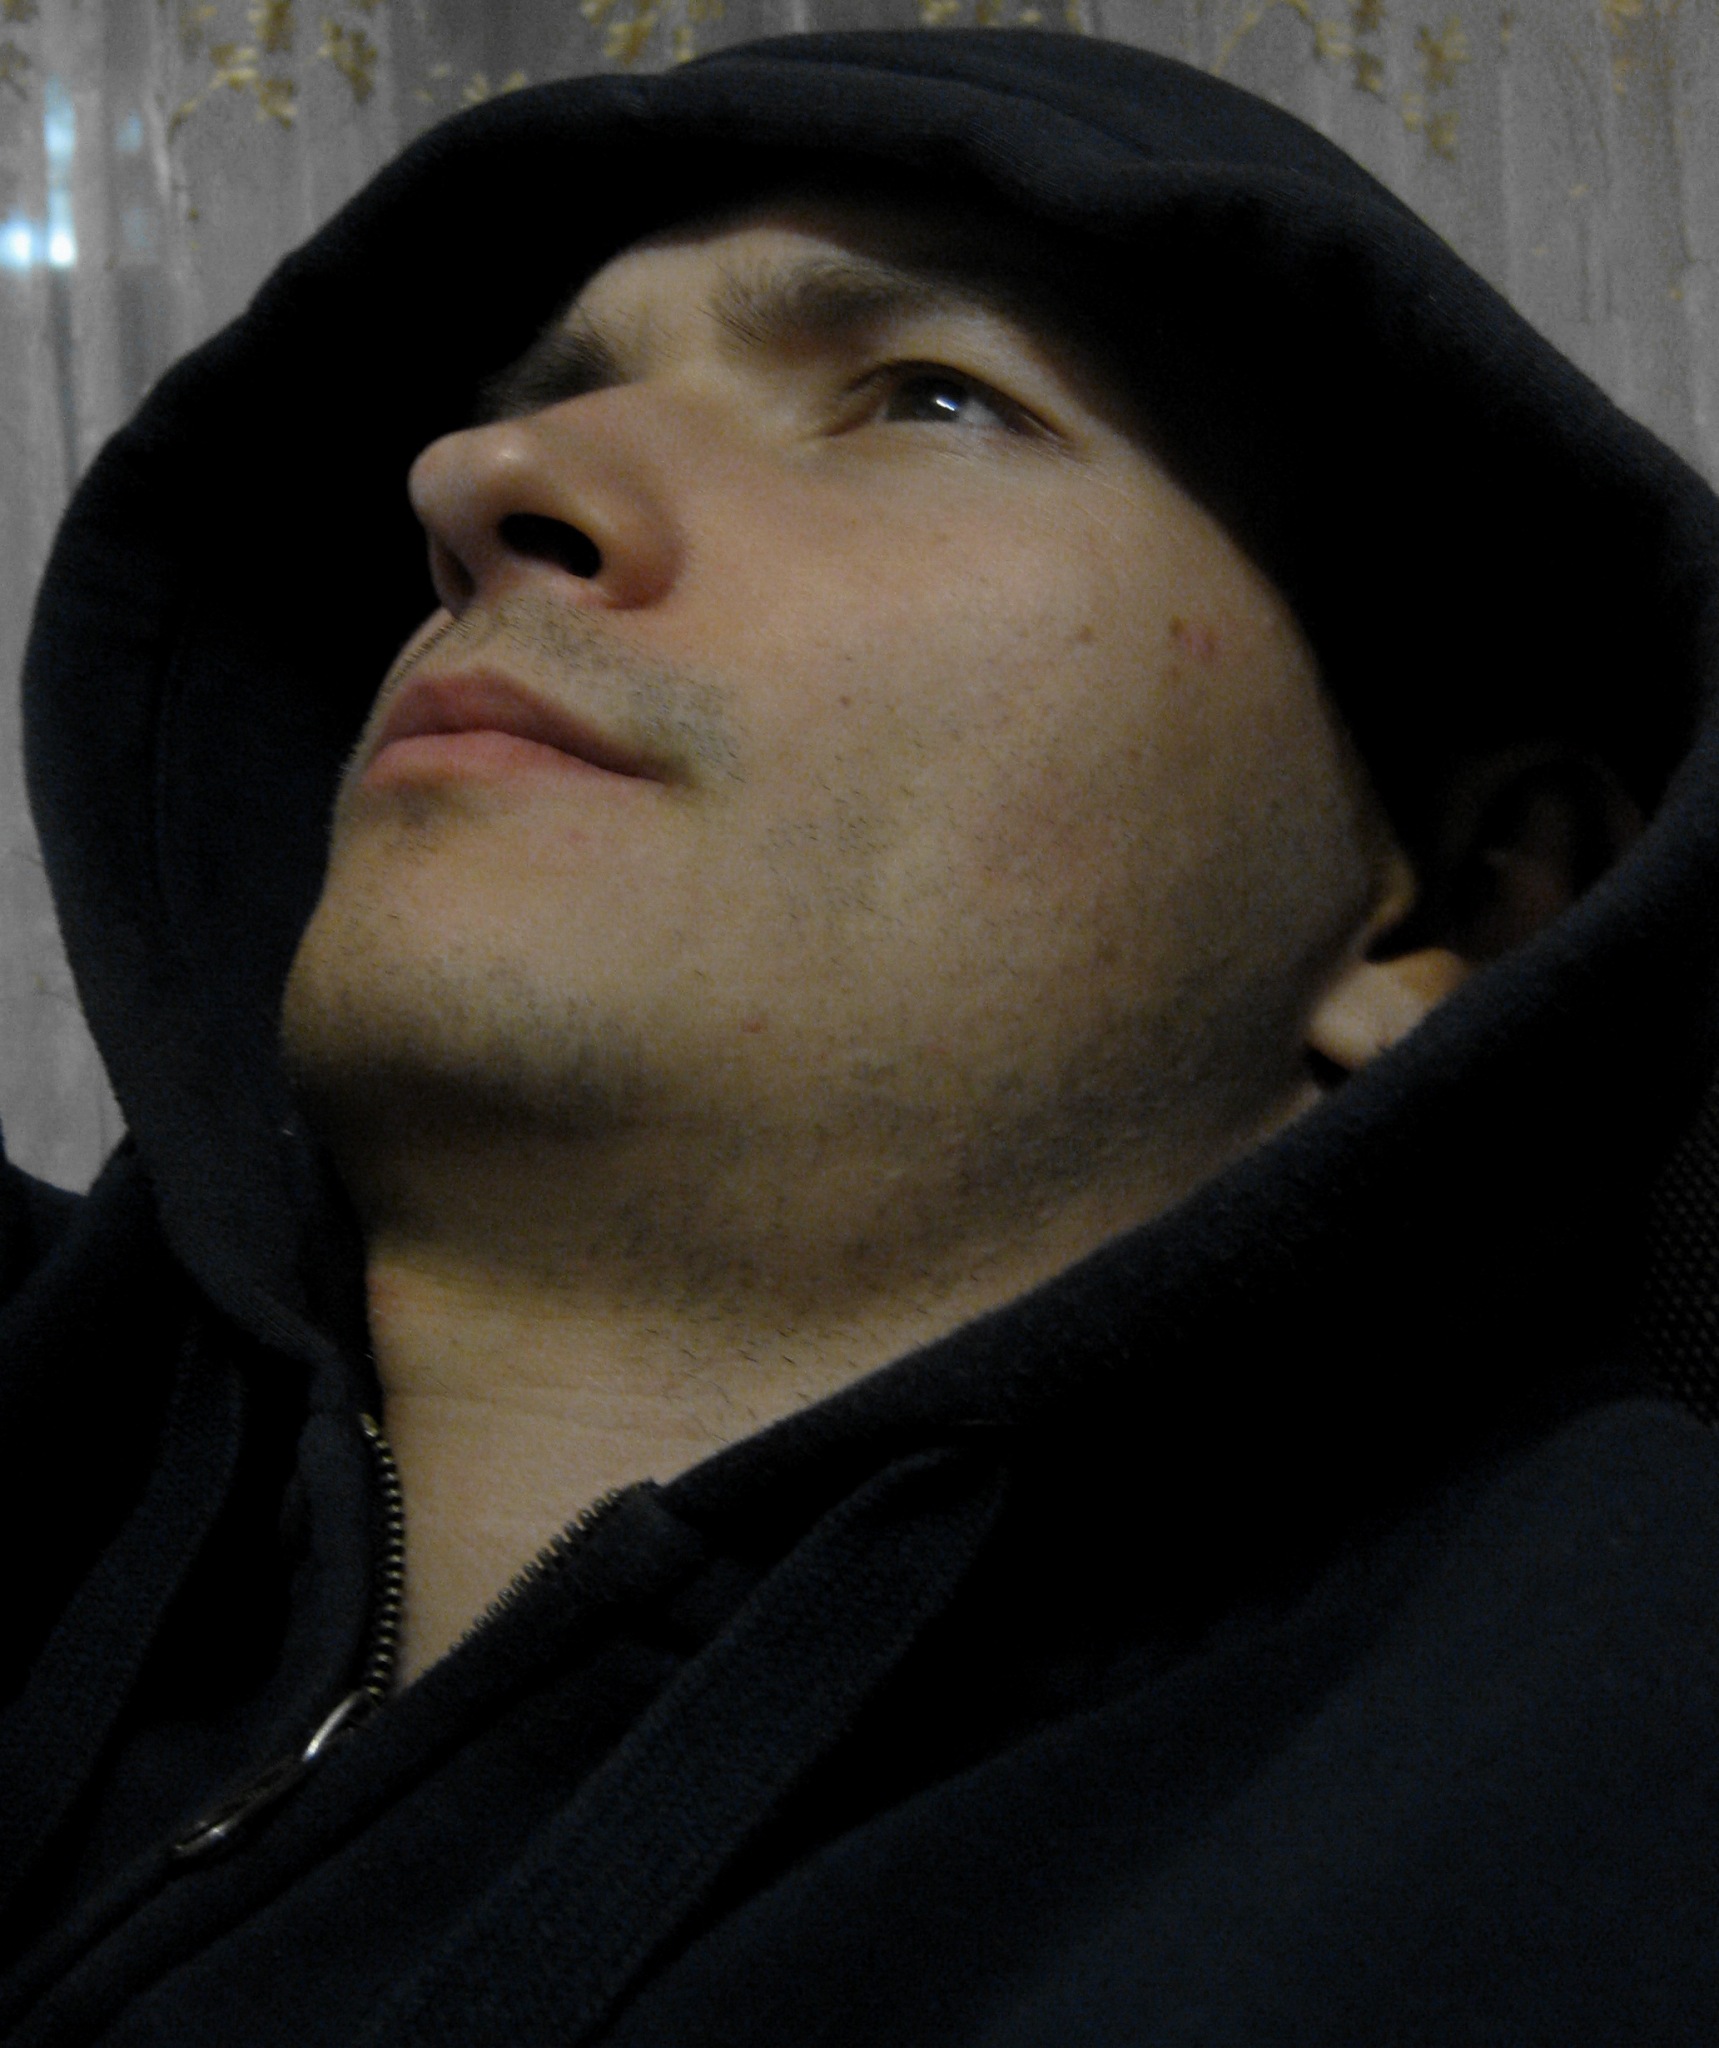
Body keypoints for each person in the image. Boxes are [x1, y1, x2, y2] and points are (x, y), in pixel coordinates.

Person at [3, 26, 1719, 2045]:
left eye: (926, 396)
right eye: (531, 407)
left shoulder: (1614, 1772)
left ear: (1457, 904)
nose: (478, 482)